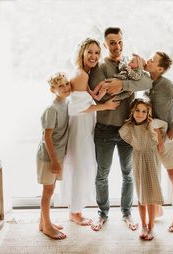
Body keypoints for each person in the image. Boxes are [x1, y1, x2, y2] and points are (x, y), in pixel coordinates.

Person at [88, 27, 153, 231]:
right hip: (105, 129)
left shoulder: (130, 64)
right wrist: (126, 86)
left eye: (120, 41)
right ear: (105, 45)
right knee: (102, 174)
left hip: (128, 129)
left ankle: (127, 213)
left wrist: (121, 84)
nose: (117, 46)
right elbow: (102, 96)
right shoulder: (99, 66)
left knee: (128, 174)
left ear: (123, 42)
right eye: (112, 43)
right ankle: (102, 214)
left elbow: (146, 80)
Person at [60, 38, 120, 226]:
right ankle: (75, 213)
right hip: (80, 126)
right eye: (90, 52)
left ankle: (76, 209)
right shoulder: (81, 75)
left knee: (83, 165)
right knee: (79, 166)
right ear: (82, 53)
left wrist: (95, 95)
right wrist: (105, 106)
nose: (94, 56)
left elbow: (82, 100)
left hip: (85, 125)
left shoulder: (84, 74)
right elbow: (75, 109)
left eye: (96, 52)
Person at [144, 51, 173, 232]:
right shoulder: (146, 83)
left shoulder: (167, 84)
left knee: (172, 175)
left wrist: (171, 131)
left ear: (160, 68)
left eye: (152, 60)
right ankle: (157, 210)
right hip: (151, 134)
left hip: (166, 134)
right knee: (153, 174)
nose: (148, 60)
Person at [119, 98, 167, 240]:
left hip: (152, 160)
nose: (140, 114)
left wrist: (156, 133)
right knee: (141, 196)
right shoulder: (129, 127)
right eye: (137, 110)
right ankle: (144, 226)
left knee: (151, 195)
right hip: (138, 160)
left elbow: (160, 146)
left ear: (148, 113)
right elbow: (125, 134)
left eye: (144, 111)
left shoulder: (152, 125)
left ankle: (152, 227)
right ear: (132, 111)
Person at [36, 72, 71, 240]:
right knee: (48, 191)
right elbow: (46, 137)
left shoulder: (66, 104)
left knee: (51, 188)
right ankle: (47, 226)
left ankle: (43, 222)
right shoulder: (52, 109)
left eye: (66, 83)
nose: (65, 87)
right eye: (60, 86)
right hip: (48, 157)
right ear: (53, 90)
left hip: (57, 155)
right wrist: (54, 161)